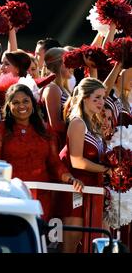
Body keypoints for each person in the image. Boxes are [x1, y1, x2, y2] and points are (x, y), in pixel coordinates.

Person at [0, 84, 84, 221]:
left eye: (26, 101)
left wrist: (71, 179)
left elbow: (54, 163)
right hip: (11, 195)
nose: (22, 106)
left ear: (32, 102)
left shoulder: (45, 130)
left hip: (41, 198)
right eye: (16, 102)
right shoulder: (0, 130)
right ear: (9, 106)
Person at [59, 77, 110, 253]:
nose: (101, 102)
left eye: (103, 97)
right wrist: (108, 170)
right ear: (84, 98)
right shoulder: (78, 123)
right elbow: (77, 161)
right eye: (96, 97)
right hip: (77, 189)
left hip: (93, 189)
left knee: (93, 243)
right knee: (71, 245)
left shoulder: (94, 124)